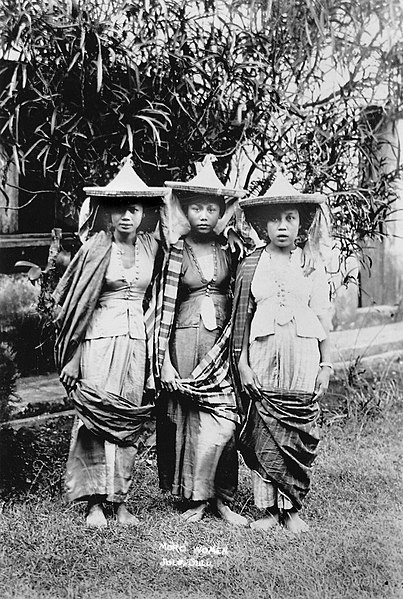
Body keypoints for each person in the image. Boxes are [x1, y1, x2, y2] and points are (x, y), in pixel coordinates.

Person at [53, 157, 171, 528]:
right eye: (118, 208)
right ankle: (93, 503)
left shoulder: (152, 246)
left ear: (143, 213)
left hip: (137, 340)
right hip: (98, 340)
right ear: (106, 212)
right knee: (96, 418)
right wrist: (72, 358)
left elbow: (177, 219)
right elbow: (75, 306)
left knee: (127, 420)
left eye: (134, 208)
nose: (126, 216)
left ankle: (119, 501)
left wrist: (160, 200)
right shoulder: (94, 248)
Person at [230, 171, 332, 534]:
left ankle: (292, 510)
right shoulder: (251, 265)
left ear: (300, 223)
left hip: (303, 351)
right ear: (263, 224)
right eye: (275, 219)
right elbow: (241, 319)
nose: (283, 226)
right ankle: (269, 510)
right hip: (263, 352)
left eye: (290, 218)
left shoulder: (310, 263)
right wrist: (242, 363)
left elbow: (323, 314)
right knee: (265, 427)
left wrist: (326, 363)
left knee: (297, 426)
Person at [155, 157, 248, 526]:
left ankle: (223, 499)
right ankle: (196, 498)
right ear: (185, 210)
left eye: (212, 208)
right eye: (197, 208)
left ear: (223, 211)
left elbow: (246, 293)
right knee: (192, 417)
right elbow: (162, 307)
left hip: (223, 341)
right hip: (186, 339)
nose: (204, 215)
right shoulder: (176, 250)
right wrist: (164, 359)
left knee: (223, 415)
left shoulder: (232, 249)